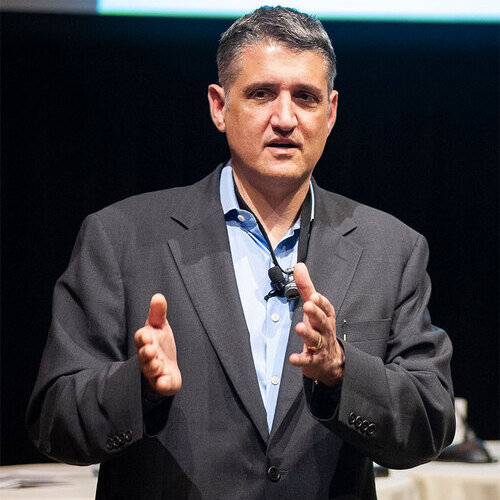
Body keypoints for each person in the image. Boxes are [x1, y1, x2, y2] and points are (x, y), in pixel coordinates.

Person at [27, 6, 455, 499]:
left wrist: (343, 373)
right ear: (219, 106)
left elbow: (431, 420)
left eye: (305, 97)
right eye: (262, 94)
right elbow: (54, 418)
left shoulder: (391, 249)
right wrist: (138, 387)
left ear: (331, 112)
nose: (285, 119)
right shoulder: (120, 238)